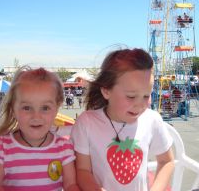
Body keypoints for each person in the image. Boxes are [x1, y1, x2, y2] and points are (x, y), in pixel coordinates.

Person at [71, 48, 174, 191]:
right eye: (131, 96)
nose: (140, 104)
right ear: (106, 91)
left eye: (146, 95)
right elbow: (82, 170)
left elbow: (167, 161)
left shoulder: (152, 120)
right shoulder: (87, 123)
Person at [0, 66, 80, 191]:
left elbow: (70, 185)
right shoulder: (2, 148)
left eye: (45, 108)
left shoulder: (64, 147)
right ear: (13, 109)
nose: (36, 116)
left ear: (56, 109)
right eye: (27, 108)